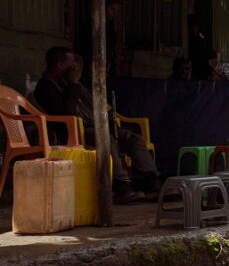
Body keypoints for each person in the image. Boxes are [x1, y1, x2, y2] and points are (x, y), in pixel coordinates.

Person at [34, 47, 160, 203]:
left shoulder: (70, 84)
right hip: (74, 132)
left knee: (134, 139)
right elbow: (66, 113)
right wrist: (73, 84)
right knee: (106, 138)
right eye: (71, 64)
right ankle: (120, 186)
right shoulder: (45, 87)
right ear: (59, 65)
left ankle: (150, 183)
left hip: (93, 127)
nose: (76, 68)